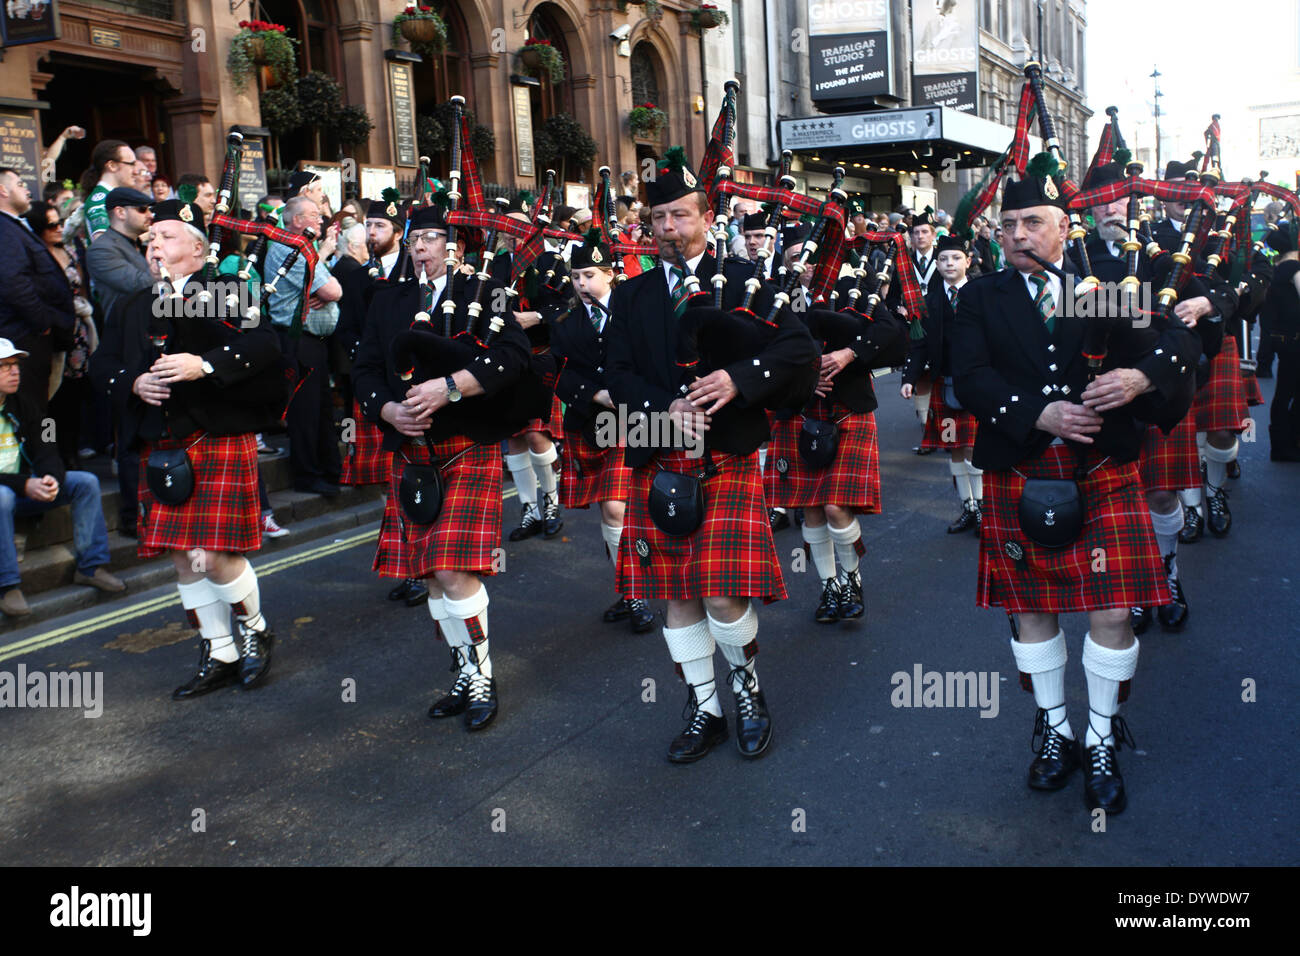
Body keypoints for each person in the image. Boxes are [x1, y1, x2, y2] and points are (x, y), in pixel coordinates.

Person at [950, 156, 1200, 814]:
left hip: (1101, 470)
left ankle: (1098, 738)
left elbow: (1179, 344)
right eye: (1008, 225)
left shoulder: (1106, 283)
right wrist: (1038, 411)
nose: (1018, 235)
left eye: (1033, 221)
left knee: (1115, 612)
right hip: (1022, 469)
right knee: (1032, 610)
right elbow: (969, 377)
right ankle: (1056, 731)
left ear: (1065, 227)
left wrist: (1143, 379)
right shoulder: (981, 295)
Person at [606, 146, 818, 763]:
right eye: (659, 218)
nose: (669, 228)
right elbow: (616, 375)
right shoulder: (633, 295)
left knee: (723, 594)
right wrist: (660, 409)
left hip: (726, 455)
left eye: (680, 215)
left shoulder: (749, 281)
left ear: (705, 217)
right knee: (677, 595)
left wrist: (737, 379)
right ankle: (706, 708)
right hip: (659, 458)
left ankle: (748, 693)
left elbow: (799, 350)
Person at [89, 198, 284, 697]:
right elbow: (101, 365)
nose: (154, 245)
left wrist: (207, 365)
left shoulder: (226, 291)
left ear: (197, 250)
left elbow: (265, 345)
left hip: (216, 437)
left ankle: (255, 628)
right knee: (183, 557)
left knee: (213, 556)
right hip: (164, 444)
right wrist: (132, 384)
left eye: (166, 236)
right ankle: (219, 649)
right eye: (150, 238)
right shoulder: (133, 305)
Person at [353, 199, 533, 731]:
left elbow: (515, 358)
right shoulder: (388, 301)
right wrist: (386, 410)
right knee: (432, 576)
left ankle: (480, 675)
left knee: (453, 570)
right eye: (415, 239)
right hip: (412, 455)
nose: (421, 247)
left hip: (465, 445)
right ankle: (460, 669)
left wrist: (453, 387)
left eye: (431, 238)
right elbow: (363, 370)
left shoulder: (485, 290)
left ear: (452, 247)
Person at [765, 224, 903, 623]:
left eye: (810, 258)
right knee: (810, 508)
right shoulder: (772, 294)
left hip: (846, 407)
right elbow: (759, 350)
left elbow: (890, 333)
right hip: (797, 409)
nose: (804, 266)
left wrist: (848, 355)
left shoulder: (853, 287)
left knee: (836, 506)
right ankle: (829, 587)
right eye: (796, 257)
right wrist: (804, 375)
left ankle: (851, 578)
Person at [551, 229, 653, 633]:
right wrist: (595, 395)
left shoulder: (634, 314)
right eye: (576, 277)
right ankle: (630, 588)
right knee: (609, 514)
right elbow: (558, 373)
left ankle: (637, 591)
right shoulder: (565, 322)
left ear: (610, 274)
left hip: (632, 422)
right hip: (589, 421)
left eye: (589, 275)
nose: (581, 284)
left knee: (617, 507)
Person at [0, 338, 124, 617]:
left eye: (15, 365)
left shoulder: (26, 403)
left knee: (85, 482)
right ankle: (7, 586)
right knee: (2, 497)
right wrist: (24, 484)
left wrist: (50, 477)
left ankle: (91, 567)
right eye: (4, 366)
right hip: (8, 493)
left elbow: (48, 444)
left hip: (25, 488)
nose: (14, 371)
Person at [497, 193, 566, 542]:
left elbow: (569, 305)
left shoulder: (550, 260)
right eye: (506, 227)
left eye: (517, 226)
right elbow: (488, 305)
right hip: (506, 357)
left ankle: (551, 499)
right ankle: (530, 509)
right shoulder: (495, 266)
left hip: (541, 354)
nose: (511, 233)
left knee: (537, 433)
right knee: (514, 438)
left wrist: (536, 316)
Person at [903, 232, 982, 533]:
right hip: (943, 382)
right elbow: (919, 345)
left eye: (956, 258)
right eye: (944, 259)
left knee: (974, 448)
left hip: (977, 382)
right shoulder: (929, 301)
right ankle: (969, 507)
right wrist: (909, 378)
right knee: (954, 447)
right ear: (936, 264)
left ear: (968, 261)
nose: (950, 264)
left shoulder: (980, 294)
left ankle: (985, 509)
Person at [264, 195, 343, 496]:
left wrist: (324, 291)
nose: (322, 219)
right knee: (305, 410)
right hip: (297, 340)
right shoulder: (291, 248)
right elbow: (334, 290)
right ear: (297, 220)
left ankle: (329, 470)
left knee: (321, 407)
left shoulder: (304, 250)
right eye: (314, 214)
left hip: (313, 340)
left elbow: (331, 290)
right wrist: (325, 291)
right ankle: (308, 475)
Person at [26, 199, 98, 468]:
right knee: (51, 400)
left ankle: (72, 450)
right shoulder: (32, 255)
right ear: (38, 229)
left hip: (77, 333)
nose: (59, 228)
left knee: (75, 396)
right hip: (50, 334)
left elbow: (82, 285)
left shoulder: (69, 249)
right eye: (51, 224)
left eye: (60, 222)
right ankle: (52, 455)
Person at [0, 168, 75, 423]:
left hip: (32, 336)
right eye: (20, 184)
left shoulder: (13, 225)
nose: (27, 189)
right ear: (3, 190)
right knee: (33, 415)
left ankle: (47, 460)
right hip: (24, 337)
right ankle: (40, 462)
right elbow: (13, 282)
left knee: (40, 409)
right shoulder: (3, 227)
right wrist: (42, 322)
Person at [1261, 224, 1300, 460]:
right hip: (1294, 340)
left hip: (1283, 339)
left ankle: (1283, 443)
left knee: (1285, 390)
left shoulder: (1278, 266)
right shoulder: (1293, 267)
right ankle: (1287, 443)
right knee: (1291, 392)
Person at [76, 141, 139, 243]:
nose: (136, 171)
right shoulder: (100, 201)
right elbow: (107, 247)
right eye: (131, 164)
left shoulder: (116, 197)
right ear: (112, 165)